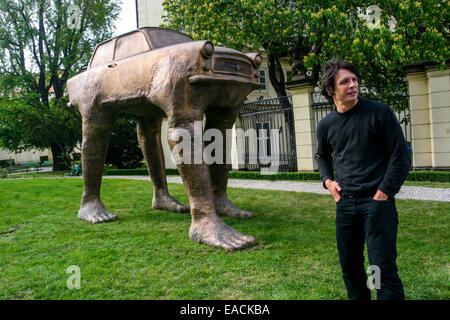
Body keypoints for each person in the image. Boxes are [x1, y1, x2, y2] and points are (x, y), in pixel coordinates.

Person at [315, 58, 410, 300]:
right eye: (345, 81)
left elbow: (400, 156)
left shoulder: (380, 113)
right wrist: (327, 181)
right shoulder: (326, 125)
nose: (352, 85)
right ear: (330, 90)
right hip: (346, 205)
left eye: (354, 80)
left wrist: (384, 192)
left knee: (381, 269)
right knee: (351, 268)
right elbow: (322, 156)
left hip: (377, 204)